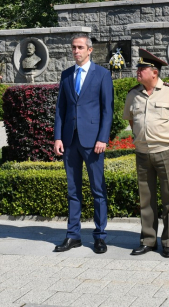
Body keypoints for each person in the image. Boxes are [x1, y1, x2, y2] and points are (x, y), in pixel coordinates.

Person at [123, 49, 169, 258]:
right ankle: (148, 240)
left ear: (154, 73)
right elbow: (131, 120)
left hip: (166, 151)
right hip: (142, 152)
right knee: (146, 198)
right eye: (138, 68)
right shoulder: (133, 94)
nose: (137, 72)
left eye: (141, 69)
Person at [53, 33, 114, 254]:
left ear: (90, 50)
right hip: (70, 140)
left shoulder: (102, 74)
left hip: (93, 141)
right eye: (73, 48)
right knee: (73, 190)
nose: (76, 51)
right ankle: (73, 235)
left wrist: (102, 138)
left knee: (98, 190)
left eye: (80, 47)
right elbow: (61, 108)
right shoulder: (67, 75)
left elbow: (108, 110)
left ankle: (99, 236)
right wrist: (58, 137)